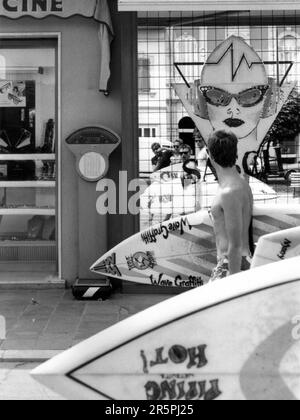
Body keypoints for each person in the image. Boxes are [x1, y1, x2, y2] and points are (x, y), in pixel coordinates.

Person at [207, 130, 254, 281]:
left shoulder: (229, 192)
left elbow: (235, 245)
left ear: (210, 155)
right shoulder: (238, 184)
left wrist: (232, 285)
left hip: (232, 265)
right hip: (235, 263)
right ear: (235, 153)